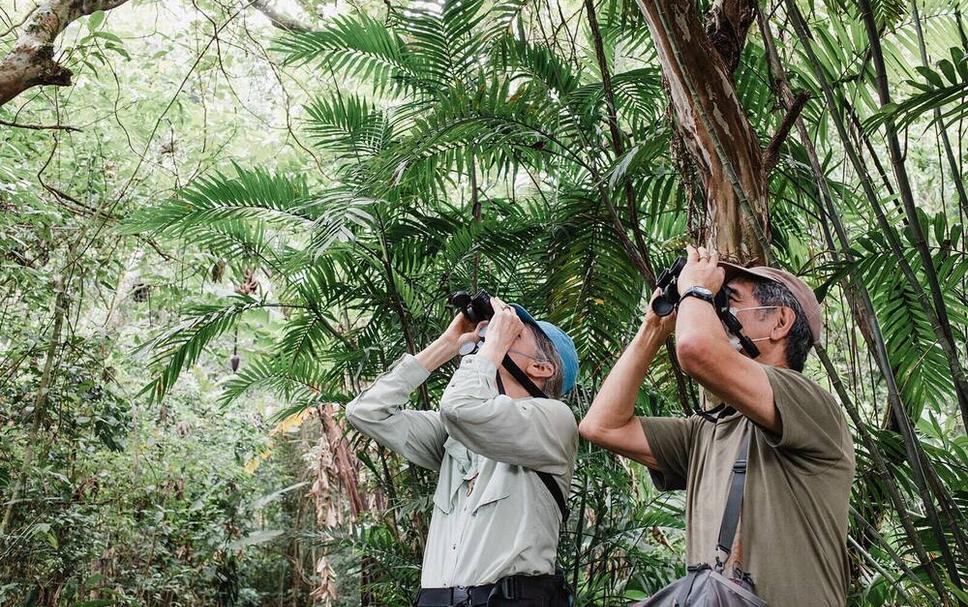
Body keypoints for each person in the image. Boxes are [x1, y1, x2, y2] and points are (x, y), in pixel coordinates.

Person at [579, 245, 855, 606]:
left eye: (729, 299)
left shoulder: (809, 404)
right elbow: (602, 425)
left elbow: (696, 351)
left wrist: (696, 291)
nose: (717, 309)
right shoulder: (707, 431)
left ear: (780, 322)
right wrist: (653, 329)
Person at [346, 296, 580, 606]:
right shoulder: (457, 435)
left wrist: (492, 348)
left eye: (514, 333)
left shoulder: (554, 420)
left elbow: (460, 409)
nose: (494, 333)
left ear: (540, 367)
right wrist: (446, 344)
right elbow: (365, 412)